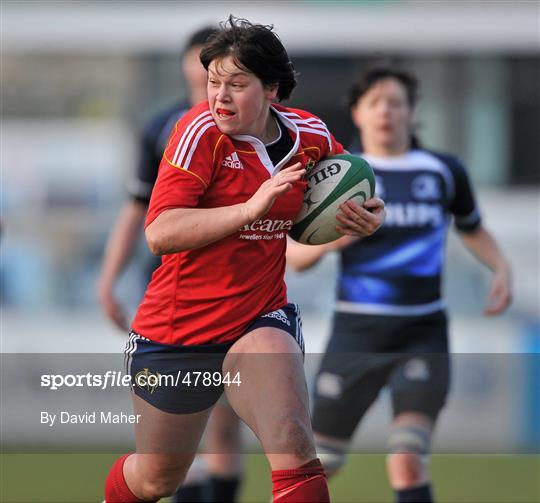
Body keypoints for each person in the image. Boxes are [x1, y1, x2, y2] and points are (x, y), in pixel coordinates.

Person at [103, 16, 385, 503]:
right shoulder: (197, 134)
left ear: (273, 88)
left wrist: (365, 216)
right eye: (214, 82)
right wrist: (250, 208)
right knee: (157, 479)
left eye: (237, 84)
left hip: (259, 318)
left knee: (295, 445)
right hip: (178, 329)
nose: (220, 96)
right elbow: (160, 233)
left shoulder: (309, 137)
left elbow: (340, 194)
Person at [286, 66, 512, 503]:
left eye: (396, 102)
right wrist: (338, 237)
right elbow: (296, 260)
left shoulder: (443, 171)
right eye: (375, 103)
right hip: (356, 332)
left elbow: (472, 228)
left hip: (422, 332)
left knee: (407, 460)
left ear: (412, 112)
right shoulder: (334, 175)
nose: (386, 112)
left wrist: (501, 266)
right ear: (357, 111)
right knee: (319, 467)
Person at [97, 26, 243, 502]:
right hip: (167, 291)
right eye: (199, 64)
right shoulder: (163, 127)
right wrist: (109, 277)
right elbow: (135, 209)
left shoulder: (252, 129)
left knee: (223, 423)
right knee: (172, 443)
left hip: (231, 290)